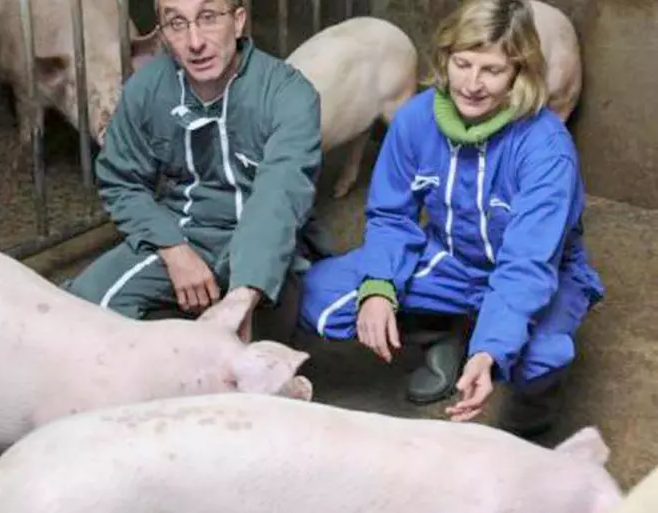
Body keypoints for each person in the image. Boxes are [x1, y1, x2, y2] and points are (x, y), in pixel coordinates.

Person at [298, 0, 604, 438]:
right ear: (444, 58)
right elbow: (391, 215)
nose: (473, 84)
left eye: (492, 70)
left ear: (519, 72)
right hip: (453, 258)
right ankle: (438, 333)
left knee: (541, 358)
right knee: (317, 293)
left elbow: (527, 262)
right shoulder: (417, 120)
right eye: (463, 63)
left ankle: (528, 422)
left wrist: (491, 349)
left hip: (539, 272)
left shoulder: (545, 148)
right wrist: (379, 286)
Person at [62, 0, 329, 343]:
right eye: (177, 23)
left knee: (244, 362)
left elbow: (279, 195)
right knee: (85, 309)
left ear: (238, 20)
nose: (195, 42)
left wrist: (244, 293)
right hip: (181, 232)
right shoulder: (145, 90)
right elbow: (121, 182)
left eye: (208, 18)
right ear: (161, 35)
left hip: (264, 244)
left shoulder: (288, 93)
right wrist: (174, 250)